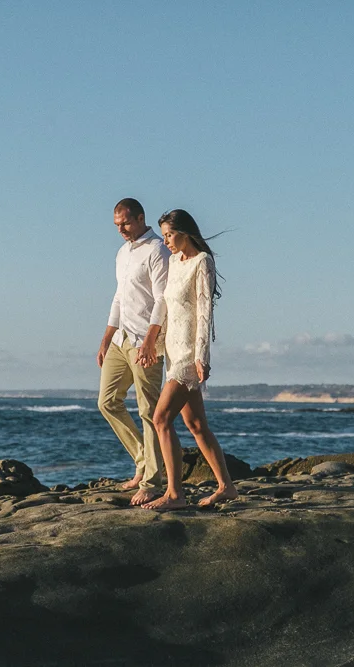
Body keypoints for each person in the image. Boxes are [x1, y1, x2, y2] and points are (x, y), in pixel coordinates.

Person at [143, 209, 238, 510]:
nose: (166, 241)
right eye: (164, 235)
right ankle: (226, 487)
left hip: (188, 355)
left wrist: (202, 357)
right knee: (196, 424)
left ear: (185, 232)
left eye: (170, 235)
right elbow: (165, 307)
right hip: (172, 351)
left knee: (160, 419)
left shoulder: (202, 262)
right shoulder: (174, 262)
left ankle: (174, 494)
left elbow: (204, 312)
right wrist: (151, 342)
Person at [97, 198, 179, 506]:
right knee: (107, 402)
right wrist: (106, 337)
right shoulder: (121, 253)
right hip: (121, 339)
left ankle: (151, 481)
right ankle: (143, 461)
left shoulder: (157, 250)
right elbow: (119, 297)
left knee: (149, 411)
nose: (121, 230)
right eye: (117, 225)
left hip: (147, 340)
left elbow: (162, 300)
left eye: (126, 223)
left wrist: (150, 341)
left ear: (140, 218)